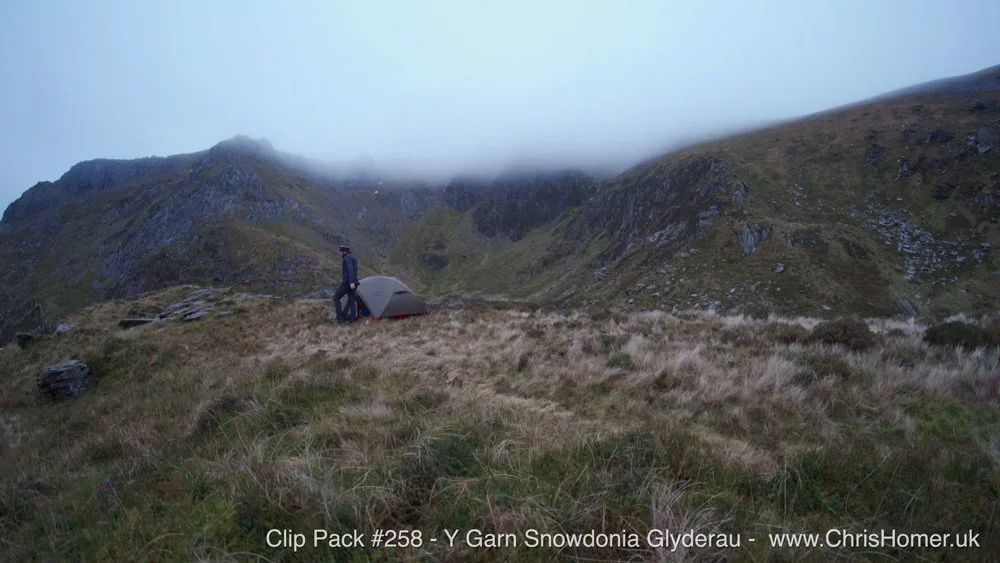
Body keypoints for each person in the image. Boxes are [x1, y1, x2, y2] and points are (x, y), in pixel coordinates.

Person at [333, 244, 359, 324]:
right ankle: (352, 320)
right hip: (355, 282)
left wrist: (351, 282)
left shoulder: (346, 258)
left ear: (344, 252)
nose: (339, 253)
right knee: (351, 301)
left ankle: (340, 318)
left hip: (348, 283)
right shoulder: (353, 257)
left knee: (336, 298)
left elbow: (350, 269)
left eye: (340, 251)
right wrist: (353, 282)